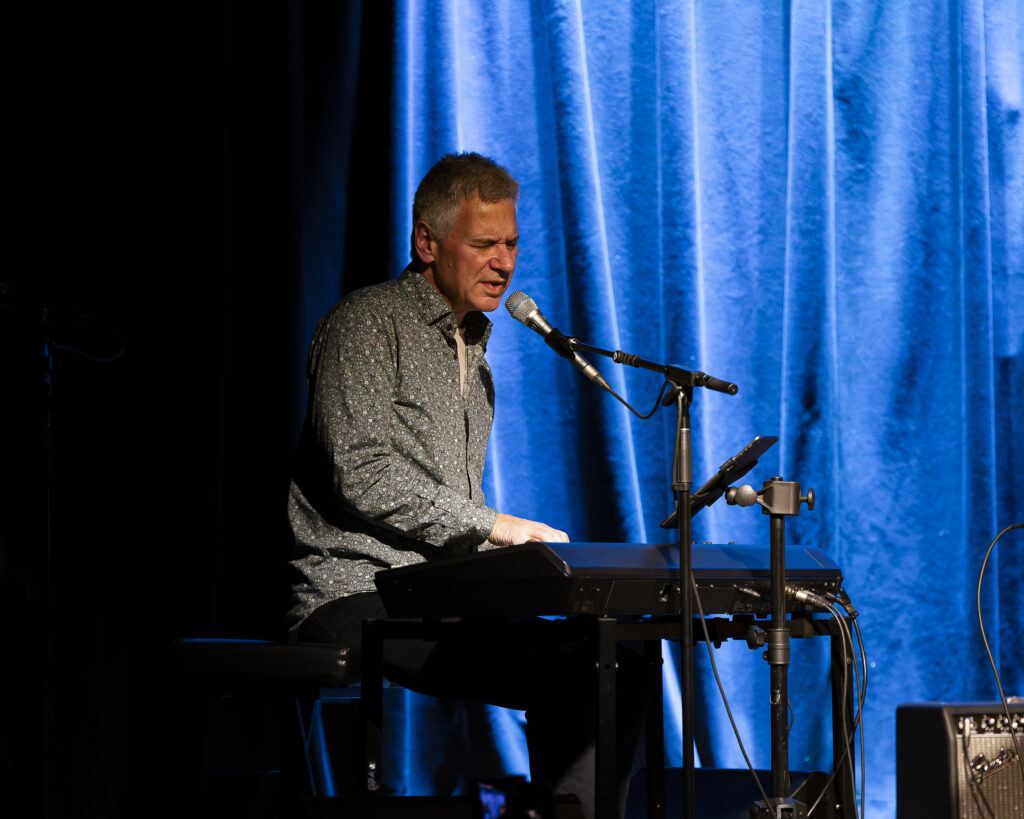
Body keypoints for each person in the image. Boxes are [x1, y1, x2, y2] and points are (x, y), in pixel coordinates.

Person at [285, 152, 646, 819]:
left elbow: (450, 507)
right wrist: (494, 526)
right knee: (573, 668)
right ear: (427, 243)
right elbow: (361, 473)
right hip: (355, 594)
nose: (504, 262)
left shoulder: (474, 355)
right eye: (484, 244)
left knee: (612, 664)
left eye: (511, 244)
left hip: (434, 595)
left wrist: (521, 564)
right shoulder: (365, 323)